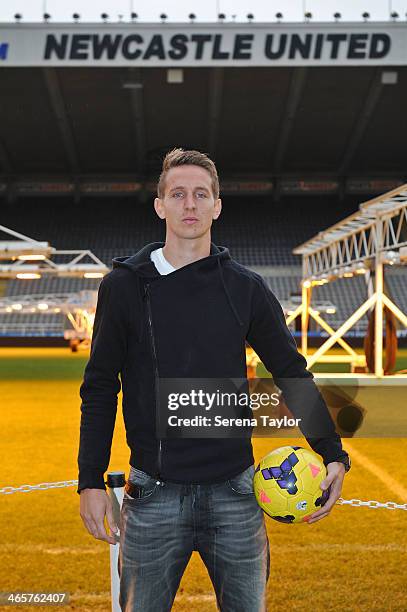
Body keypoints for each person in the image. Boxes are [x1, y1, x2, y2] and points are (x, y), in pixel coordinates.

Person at [78, 148, 351, 611]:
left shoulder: (245, 288)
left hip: (236, 494)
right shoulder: (123, 287)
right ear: (159, 205)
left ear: (217, 205)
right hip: (152, 496)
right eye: (178, 194)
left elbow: (290, 373)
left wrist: (332, 452)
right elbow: (101, 387)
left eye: (201, 194)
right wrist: (89, 480)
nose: (190, 205)